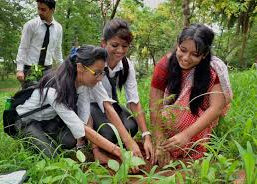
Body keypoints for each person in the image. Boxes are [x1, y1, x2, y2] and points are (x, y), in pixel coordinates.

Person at [14, 45, 121, 159]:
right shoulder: (54, 90)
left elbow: (85, 119)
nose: (100, 79)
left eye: (102, 73)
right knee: (51, 158)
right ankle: (30, 140)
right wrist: (118, 151)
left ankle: (44, 137)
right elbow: (80, 127)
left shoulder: (81, 86)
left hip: (48, 121)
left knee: (70, 140)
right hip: (26, 121)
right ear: (80, 67)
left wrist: (96, 150)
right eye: (96, 73)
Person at [149, 24, 233, 166]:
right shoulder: (165, 65)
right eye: (183, 50)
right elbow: (154, 104)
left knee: (195, 151)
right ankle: (170, 142)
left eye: (195, 54)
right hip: (170, 117)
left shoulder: (214, 69)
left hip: (199, 120)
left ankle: (192, 148)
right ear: (177, 45)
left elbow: (216, 108)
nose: (186, 58)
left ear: (204, 54)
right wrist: (159, 141)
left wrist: (186, 135)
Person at [90, 19, 154, 166]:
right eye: (114, 45)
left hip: (112, 105)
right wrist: (129, 142)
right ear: (103, 43)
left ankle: (115, 139)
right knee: (109, 133)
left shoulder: (126, 65)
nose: (120, 50)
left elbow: (133, 101)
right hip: (92, 107)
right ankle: (98, 145)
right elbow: (105, 105)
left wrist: (146, 135)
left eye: (124, 46)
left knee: (131, 126)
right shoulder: (95, 63)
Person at [16, 0, 63, 89]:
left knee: (47, 95)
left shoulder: (58, 28)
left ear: (52, 10)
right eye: (38, 9)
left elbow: (57, 49)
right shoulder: (31, 25)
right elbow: (23, 48)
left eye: (43, 9)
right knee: (31, 96)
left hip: (48, 69)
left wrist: (62, 68)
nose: (39, 12)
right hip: (32, 68)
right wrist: (19, 69)